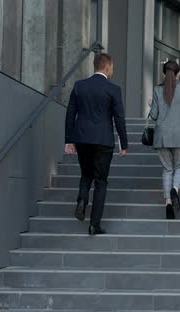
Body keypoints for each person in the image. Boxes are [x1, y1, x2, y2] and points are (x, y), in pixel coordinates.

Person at [64, 53, 128, 235]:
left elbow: (70, 114)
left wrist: (69, 140)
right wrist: (124, 144)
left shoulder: (79, 86)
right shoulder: (113, 89)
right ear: (107, 67)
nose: (113, 70)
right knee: (101, 181)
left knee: (86, 175)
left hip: (82, 139)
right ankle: (94, 225)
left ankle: (82, 200)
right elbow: (119, 119)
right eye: (112, 67)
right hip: (103, 142)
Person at [149, 61, 180, 220]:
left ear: (164, 74)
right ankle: (175, 190)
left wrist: (151, 104)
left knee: (167, 169)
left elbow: (154, 116)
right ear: (178, 73)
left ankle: (168, 203)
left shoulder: (157, 90)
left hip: (162, 137)